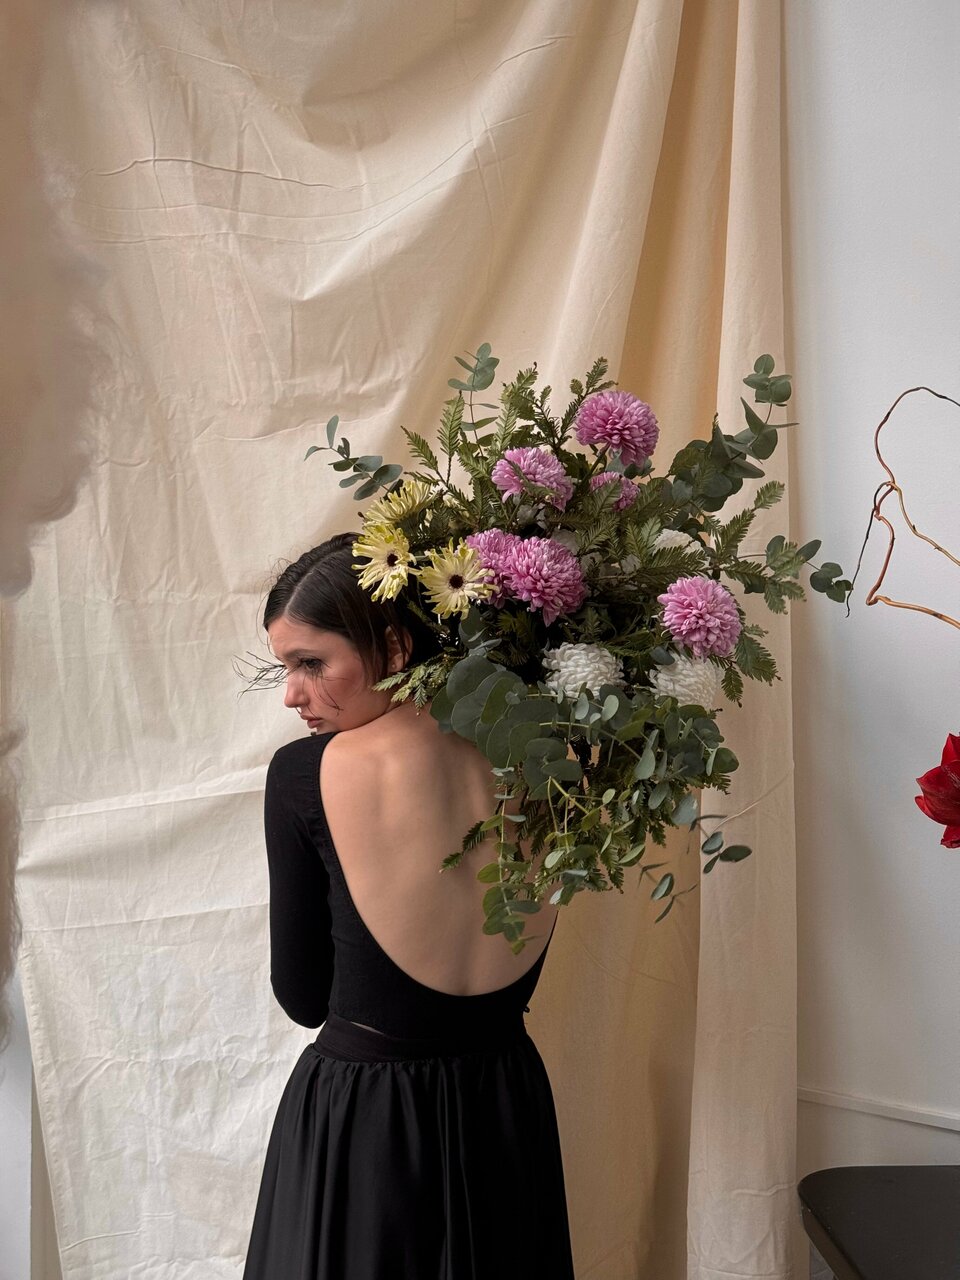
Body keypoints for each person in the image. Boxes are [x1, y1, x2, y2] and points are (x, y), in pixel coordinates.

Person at [242, 532, 575, 1279]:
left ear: (394, 645)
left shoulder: (304, 775)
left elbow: (302, 998)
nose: (292, 694)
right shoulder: (549, 752)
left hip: (370, 1123)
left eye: (310, 664)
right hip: (505, 1104)